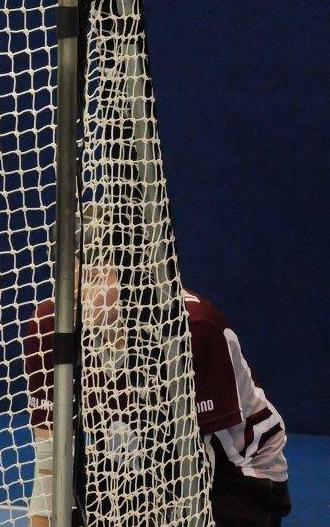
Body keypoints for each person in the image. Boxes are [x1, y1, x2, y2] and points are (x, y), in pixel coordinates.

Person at [23, 210, 292, 527]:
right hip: (124, 464)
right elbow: (49, 465)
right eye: (69, 277)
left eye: (95, 277)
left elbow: (197, 465)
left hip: (233, 469)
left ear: (133, 274)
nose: (79, 295)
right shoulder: (49, 328)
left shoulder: (192, 329)